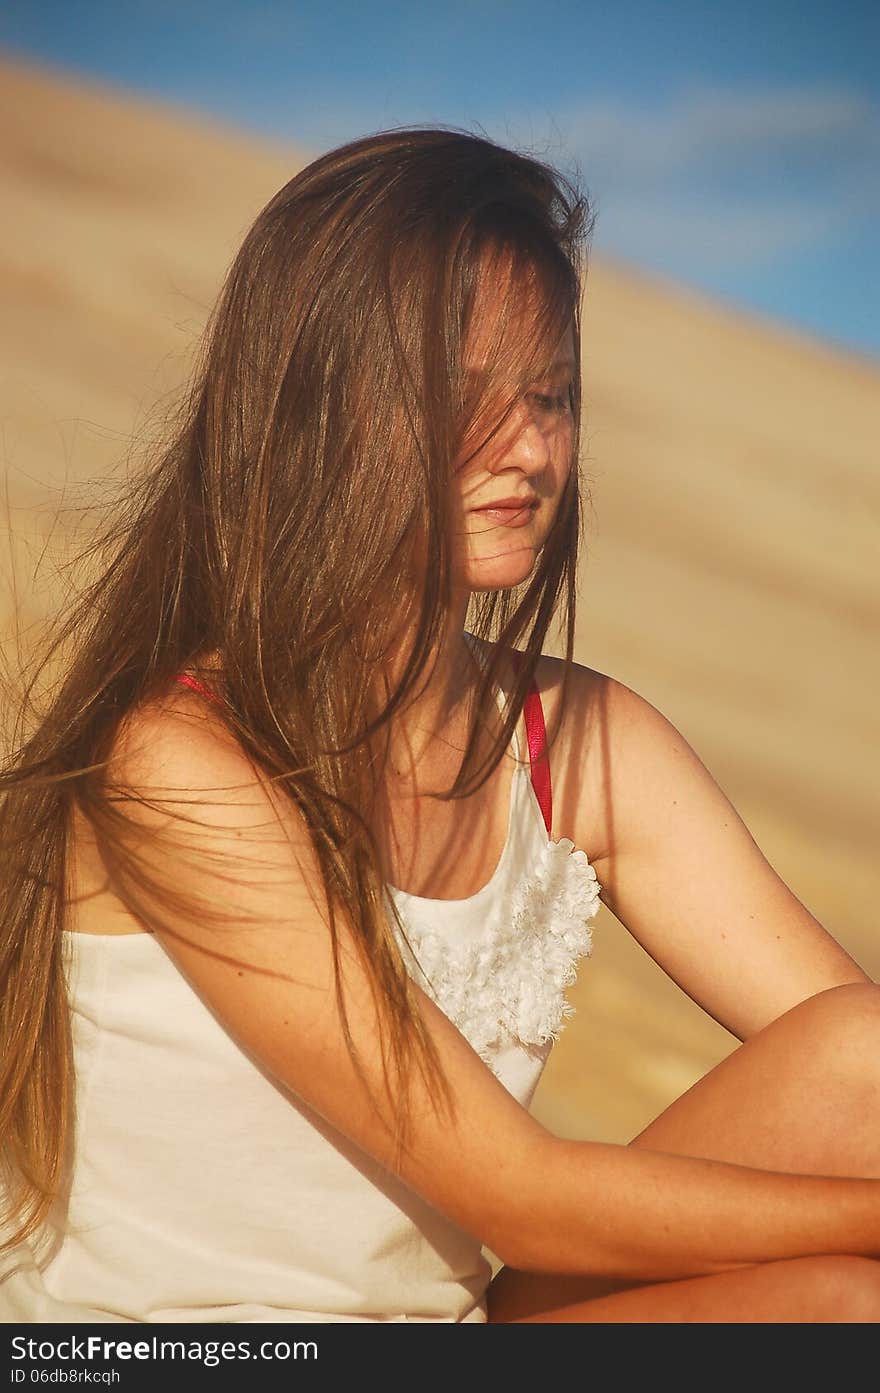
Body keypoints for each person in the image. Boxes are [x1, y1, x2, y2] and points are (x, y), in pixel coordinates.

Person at [1, 127, 879, 1327]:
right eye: (466, 396)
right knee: (838, 1301)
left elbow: (853, 1085)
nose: (531, 450)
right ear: (324, 405)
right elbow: (517, 1198)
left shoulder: (581, 740)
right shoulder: (179, 760)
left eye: (552, 396)